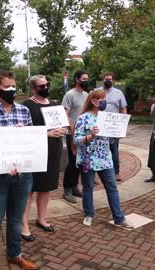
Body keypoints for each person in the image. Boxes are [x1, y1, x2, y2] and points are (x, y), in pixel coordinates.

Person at [0, 70, 37, 270]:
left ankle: (15, 255)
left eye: (14, 86)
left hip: (22, 175)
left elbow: (31, 142)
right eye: (7, 87)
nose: (12, 90)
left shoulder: (24, 111)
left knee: (15, 219)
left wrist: (24, 134)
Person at [74, 89, 134, 229]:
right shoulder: (83, 118)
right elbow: (77, 140)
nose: (104, 102)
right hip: (87, 159)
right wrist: (90, 136)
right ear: (93, 101)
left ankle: (119, 218)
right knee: (88, 187)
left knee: (112, 188)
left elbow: (112, 135)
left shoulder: (106, 117)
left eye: (104, 99)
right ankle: (89, 214)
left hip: (104, 158)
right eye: (101, 100)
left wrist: (118, 132)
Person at [21, 75, 66, 242]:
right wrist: (47, 133)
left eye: (47, 84)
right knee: (30, 189)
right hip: (35, 151)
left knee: (46, 187)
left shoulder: (54, 104)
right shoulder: (27, 105)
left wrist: (62, 131)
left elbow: (63, 125)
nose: (46, 87)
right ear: (34, 89)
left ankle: (41, 218)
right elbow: (24, 131)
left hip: (53, 150)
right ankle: (23, 224)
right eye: (42, 86)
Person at [61, 70, 89, 203]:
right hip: (72, 133)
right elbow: (65, 115)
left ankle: (74, 187)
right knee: (72, 162)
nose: (86, 81)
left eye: (87, 79)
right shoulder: (69, 94)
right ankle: (67, 190)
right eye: (83, 79)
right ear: (77, 79)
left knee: (79, 162)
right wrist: (72, 131)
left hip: (84, 135)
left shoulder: (86, 95)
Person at [98, 72, 127, 181]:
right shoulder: (97, 92)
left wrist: (123, 124)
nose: (108, 81)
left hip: (113, 127)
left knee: (114, 150)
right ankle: (99, 171)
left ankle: (116, 172)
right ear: (103, 79)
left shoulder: (118, 93)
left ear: (113, 81)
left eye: (110, 79)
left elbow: (123, 108)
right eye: (106, 79)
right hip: (100, 126)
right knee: (99, 148)